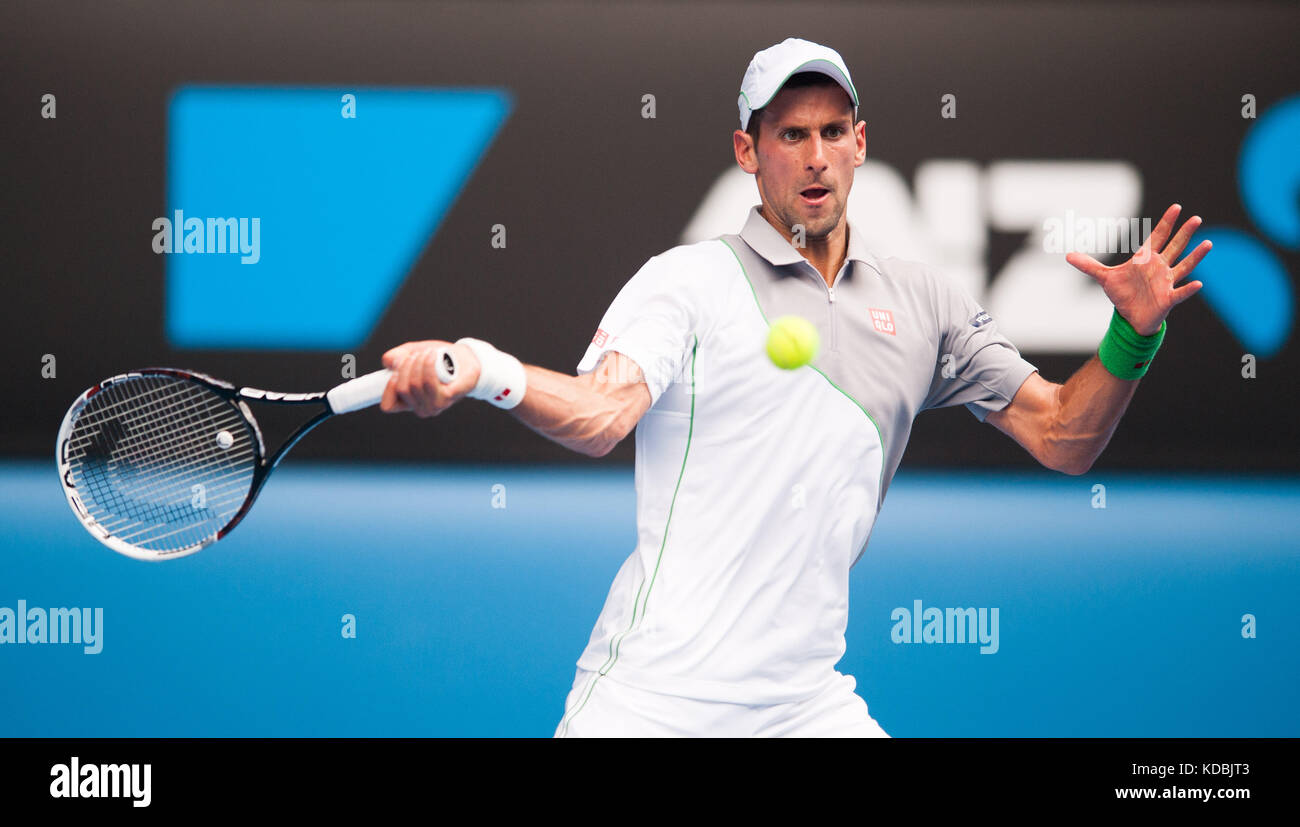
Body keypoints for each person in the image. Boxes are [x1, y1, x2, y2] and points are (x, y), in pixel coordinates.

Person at [378, 38, 1211, 737]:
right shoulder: (686, 283)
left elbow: (1065, 434)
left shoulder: (926, 304)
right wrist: (485, 370)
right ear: (748, 151)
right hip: (647, 705)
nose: (815, 156)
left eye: (833, 131)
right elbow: (601, 414)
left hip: (805, 708)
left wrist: (1133, 334)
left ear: (859, 143)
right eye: (789, 134)